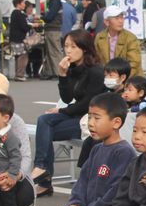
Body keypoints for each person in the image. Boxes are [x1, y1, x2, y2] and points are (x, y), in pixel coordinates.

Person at [30, 29, 103, 194]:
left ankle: (44, 179)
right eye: (66, 46)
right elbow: (68, 97)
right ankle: (41, 168)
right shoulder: (72, 68)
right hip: (76, 117)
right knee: (44, 121)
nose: (68, 50)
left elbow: (87, 103)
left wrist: (61, 110)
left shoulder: (96, 71)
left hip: (90, 119)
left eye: (73, 46)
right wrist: (62, 75)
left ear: (84, 48)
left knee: (46, 128)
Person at [92, 5, 142, 79]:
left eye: (122, 17)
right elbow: (97, 61)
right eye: (116, 18)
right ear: (106, 22)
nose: (120, 21)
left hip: (129, 80)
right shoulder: (99, 37)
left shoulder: (130, 38)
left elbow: (134, 64)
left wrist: (120, 80)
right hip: (107, 79)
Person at [40, 0, 65, 79]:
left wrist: (42, 17)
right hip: (54, 29)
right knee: (52, 52)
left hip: (53, 29)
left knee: (55, 51)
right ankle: (52, 72)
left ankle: (58, 72)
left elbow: (49, 16)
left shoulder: (54, 2)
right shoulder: (56, 1)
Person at [7, 0, 31, 81]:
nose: (24, 5)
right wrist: (31, 26)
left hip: (14, 38)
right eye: (23, 3)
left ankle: (19, 74)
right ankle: (20, 74)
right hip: (19, 39)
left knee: (18, 56)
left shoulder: (14, 13)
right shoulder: (19, 14)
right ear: (18, 4)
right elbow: (24, 26)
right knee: (22, 56)